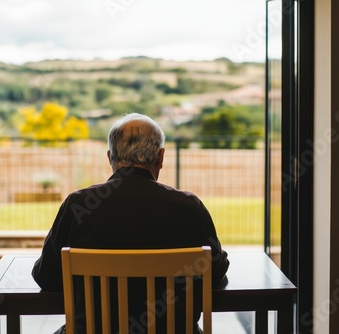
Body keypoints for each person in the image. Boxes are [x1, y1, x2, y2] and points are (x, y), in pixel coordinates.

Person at [32, 112, 229, 334]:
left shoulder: (78, 205)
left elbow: (46, 277)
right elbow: (216, 273)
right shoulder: (190, 207)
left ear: (110, 157)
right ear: (161, 157)